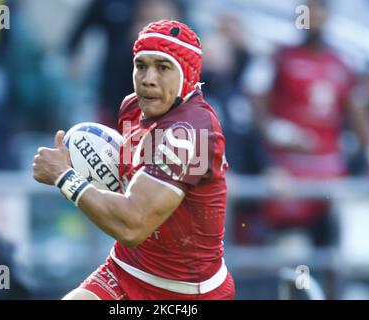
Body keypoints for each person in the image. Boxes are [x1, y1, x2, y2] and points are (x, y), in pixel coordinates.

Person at [33, 20, 234, 300]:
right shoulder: (132, 107)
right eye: (141, 65)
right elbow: (127, 186)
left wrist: (64, 177)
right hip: (125, 269)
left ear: (186, 74)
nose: (148, 78)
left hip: (186, 293)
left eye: (163, 68)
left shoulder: (191, 132)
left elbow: (133, 225)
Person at [245, 0, 369, 246]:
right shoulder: (279, 58)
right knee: (293, 247)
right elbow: (255, 99)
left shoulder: (341, 64)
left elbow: (356, 114)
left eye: (320, 11)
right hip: (290, 169)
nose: (314, 18)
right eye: (308, 12)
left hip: (329, 169)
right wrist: (272, 128)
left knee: (340, 243)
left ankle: (339, 284)